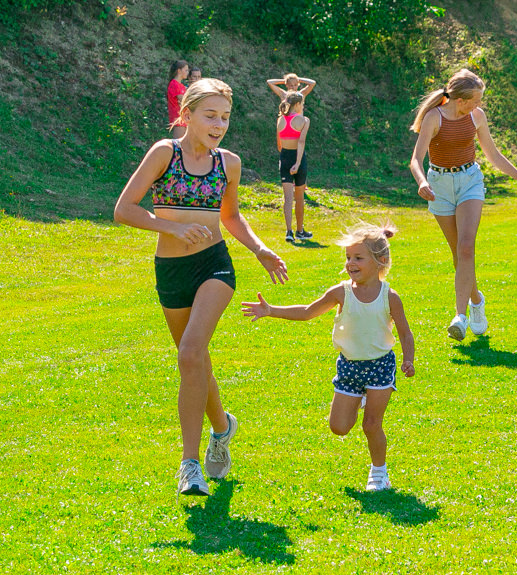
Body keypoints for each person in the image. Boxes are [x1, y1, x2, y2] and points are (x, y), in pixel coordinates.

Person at [114, 79, 289, 498]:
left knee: (192, 351)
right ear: (186, 114)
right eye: (210, 115)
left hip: (215, 266)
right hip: (171, 270)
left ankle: (189, 465)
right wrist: (170, 226)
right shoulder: (164, 153)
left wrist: (261, 249)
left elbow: (231, 217)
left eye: (225, 117)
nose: (219, 124)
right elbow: (124, 210)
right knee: (193, 360)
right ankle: (223, 426)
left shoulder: (229, 163)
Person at [241, 222, 415, 491]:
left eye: (358, 258)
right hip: (349, 367)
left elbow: (405, 333)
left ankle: (379, 473)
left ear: (380, 260)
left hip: (380, 366)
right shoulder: (340, 293)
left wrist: (408, 360)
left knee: (371, 424)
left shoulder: (390, 297)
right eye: (348, 258)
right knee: (339, 427)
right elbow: (308, 311)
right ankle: (358, 398)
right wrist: (271, 310)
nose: (350, 263)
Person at [409, 68, 517, 340]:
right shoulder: (435, 117)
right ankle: (476, 299)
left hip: (469, 181)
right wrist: (421, 182)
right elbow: (415, 160)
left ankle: (461, 316)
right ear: (461, 99)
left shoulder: (476, 117)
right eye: (476, 100)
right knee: (458, 254)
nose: (479, 106)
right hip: (439, 185)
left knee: (466, 247)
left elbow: (492, 153)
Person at [276, 91, 311, 242]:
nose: (303, 106)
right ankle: (300, 231)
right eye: (302, 104)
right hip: (298, 159)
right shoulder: (304, 120)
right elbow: (301, 142)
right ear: (297, 104)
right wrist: (297, 163)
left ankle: (289, 231)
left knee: (288, 198)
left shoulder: (280, 120)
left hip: (284, 158)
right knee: (299, 197)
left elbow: (279, 144)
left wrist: (285, 161)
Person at [166, 60, 189, 138]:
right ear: (179, 71)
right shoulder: (174, 84)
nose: (187, 72)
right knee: (178, 146)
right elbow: (183, 100)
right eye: (186, 70)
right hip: (178, 119)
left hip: (184, 118)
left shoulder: (181, 85)